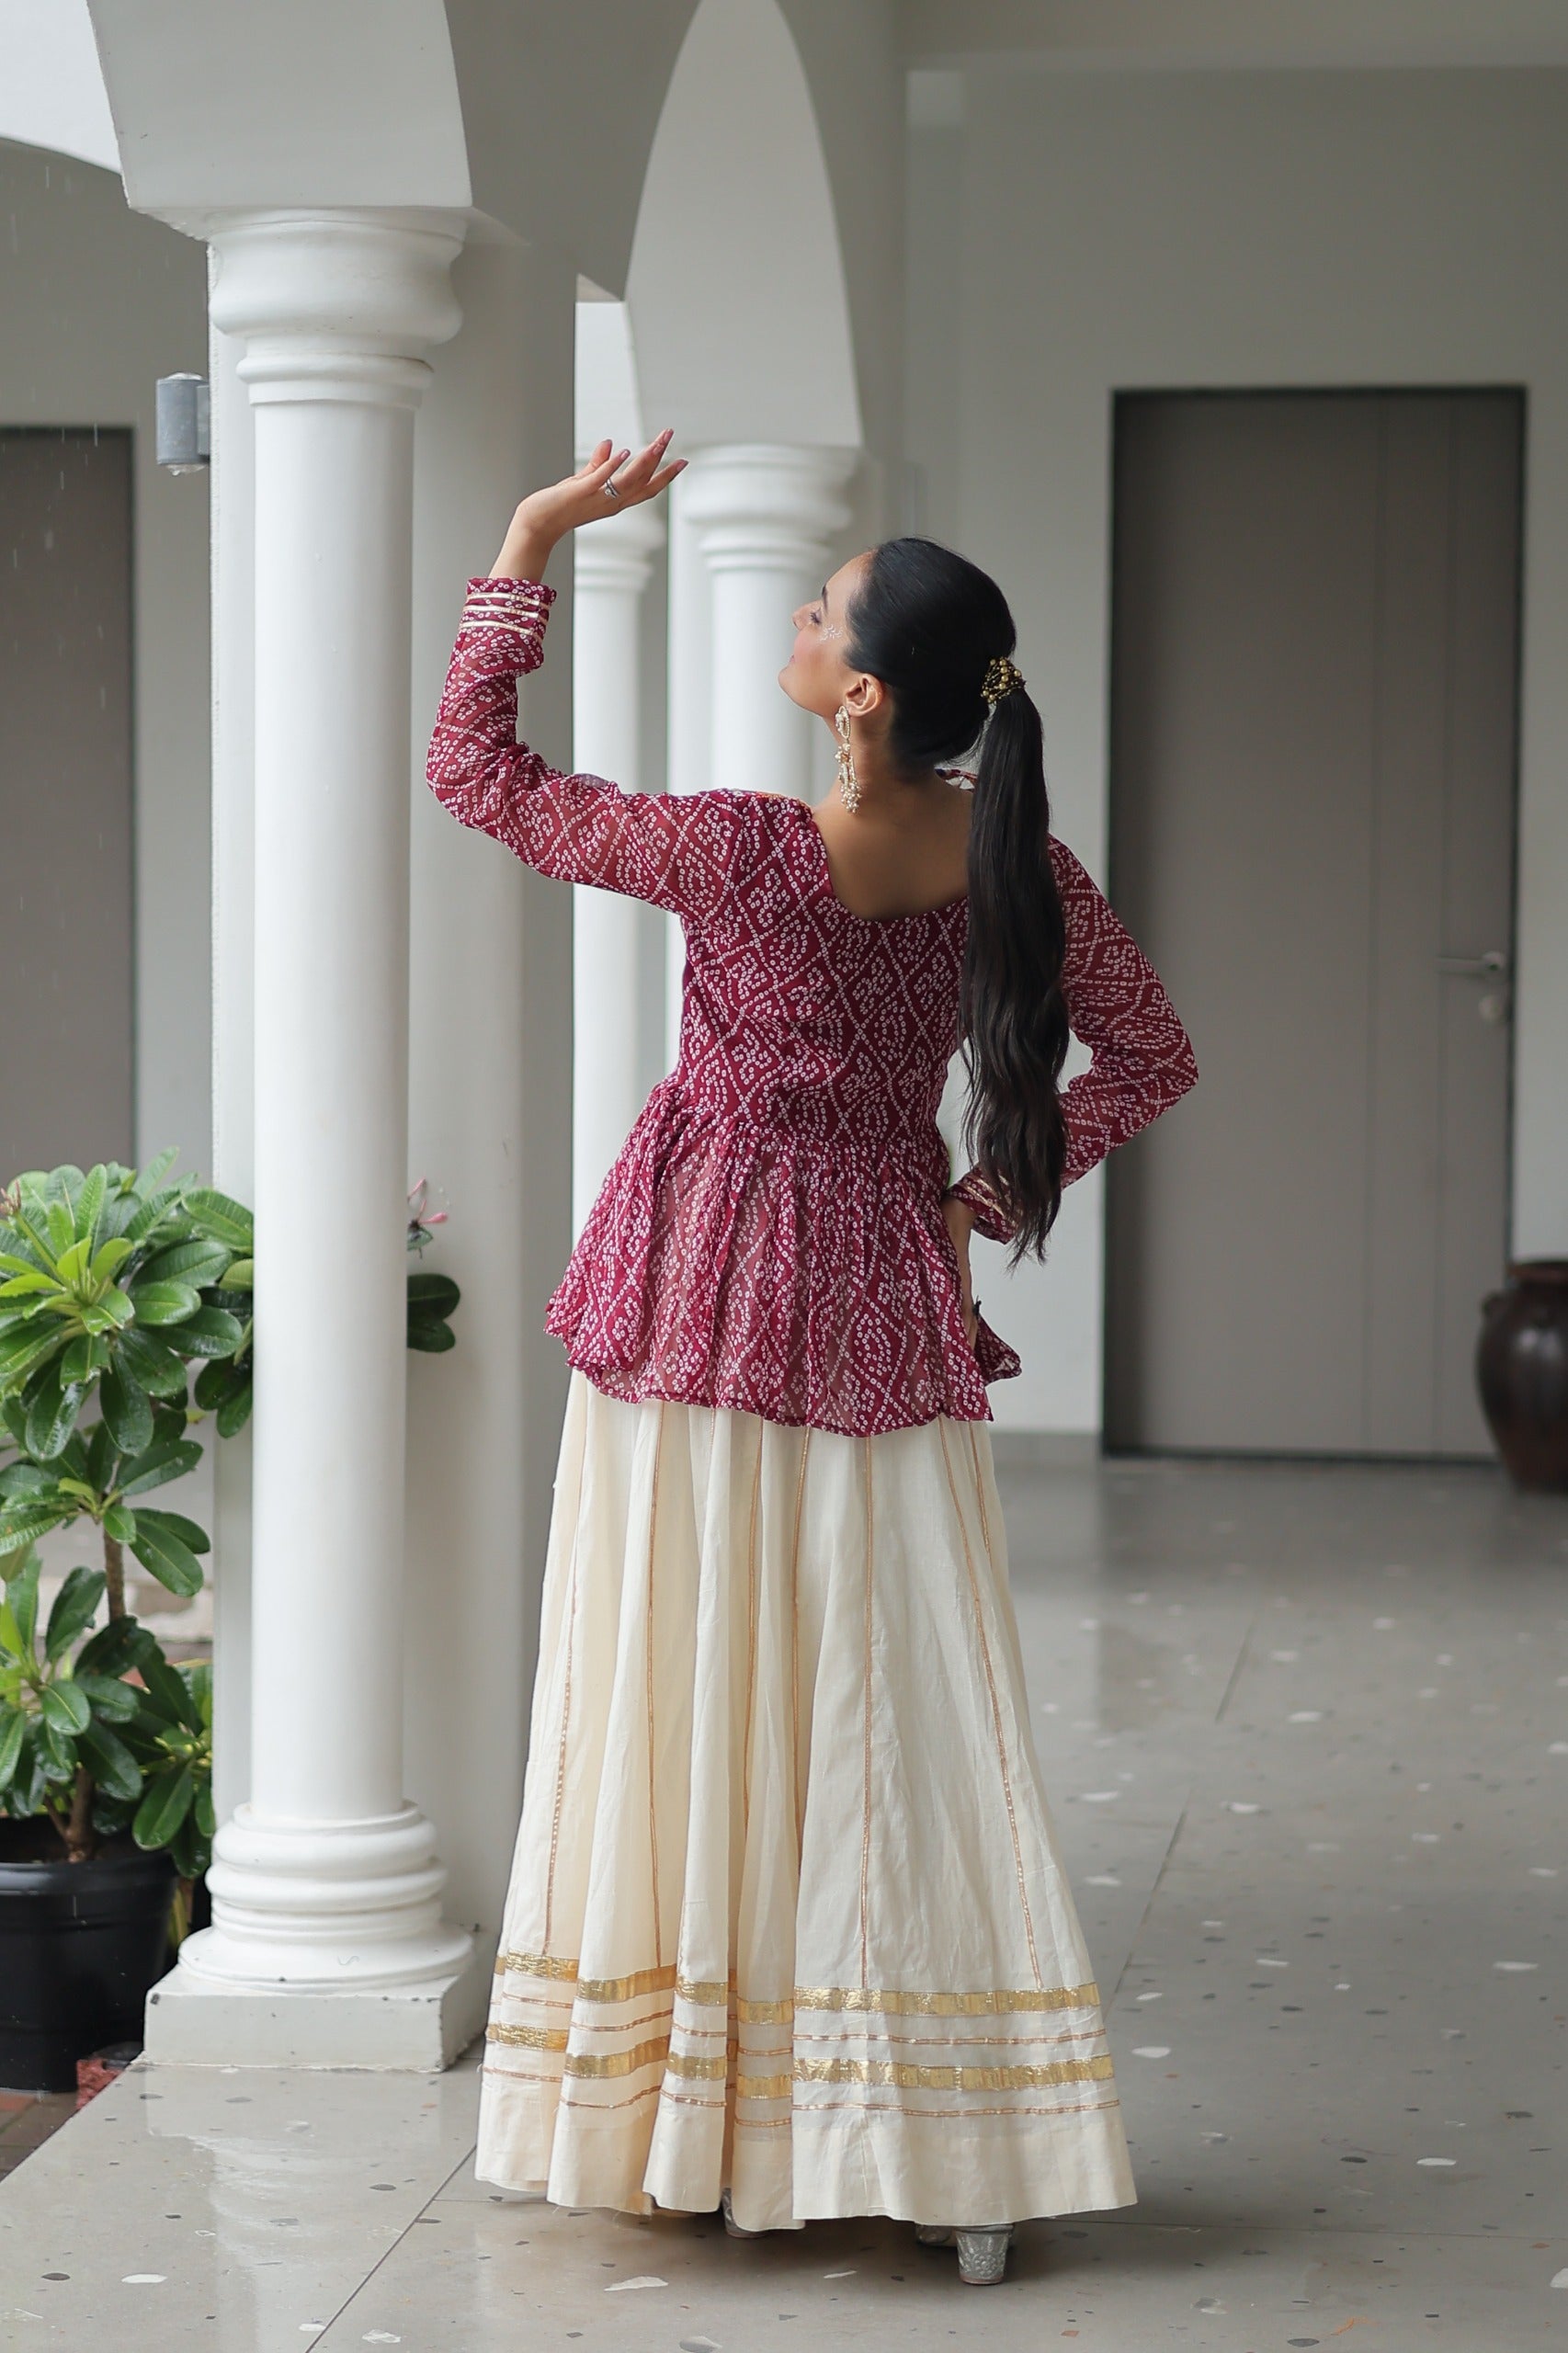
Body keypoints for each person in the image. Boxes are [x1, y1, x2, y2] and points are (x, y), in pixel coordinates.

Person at [425, 430, 1198, 2288]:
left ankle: (686, 2116)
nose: (791, 607)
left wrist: (532, 538)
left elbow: (476, 769)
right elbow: (1150, 1054)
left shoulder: (739, 852)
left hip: (692, 1289)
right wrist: (988, 1186)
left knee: (683, 1684)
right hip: (875, 1291)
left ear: (857, 693)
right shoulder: (1014, 859)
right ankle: (946, 2140)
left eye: (817, 606)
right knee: (889, 1703)